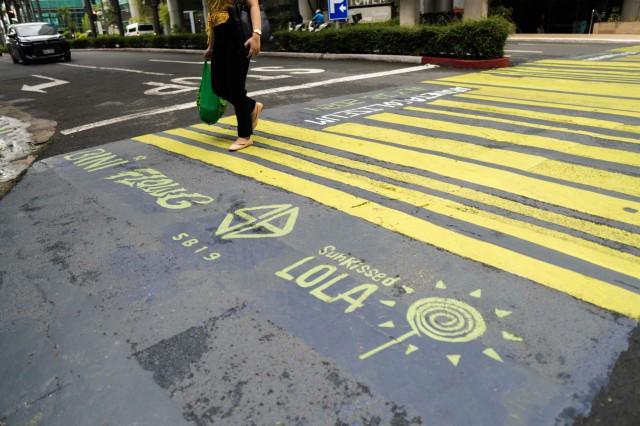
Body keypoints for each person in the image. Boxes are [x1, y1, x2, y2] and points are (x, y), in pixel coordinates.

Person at [204, 0, 263, 152]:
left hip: (238, 35)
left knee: (236, 88)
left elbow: (253, 5)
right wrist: (211, 45)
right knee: (218, 86)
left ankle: (245, 135)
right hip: (220, 41)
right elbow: (212, 17)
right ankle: (251, 106)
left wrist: (256, 34)